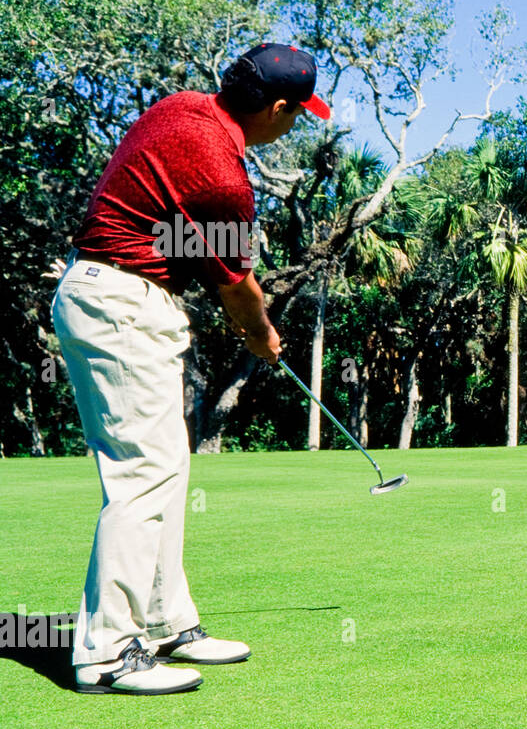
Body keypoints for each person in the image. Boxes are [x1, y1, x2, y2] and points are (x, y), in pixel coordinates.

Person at [51, 43, 330, 694]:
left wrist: (247, 317)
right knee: (143, 473)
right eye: (297, 113)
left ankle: (165, 621)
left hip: (110, 293)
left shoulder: (182, 107)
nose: (296, 123)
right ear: (277, 108)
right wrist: (260, 333)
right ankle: (108, 652)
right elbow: (236, 287)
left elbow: (185, 238)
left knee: (167, 465)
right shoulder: (223, 177)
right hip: (122, 302)